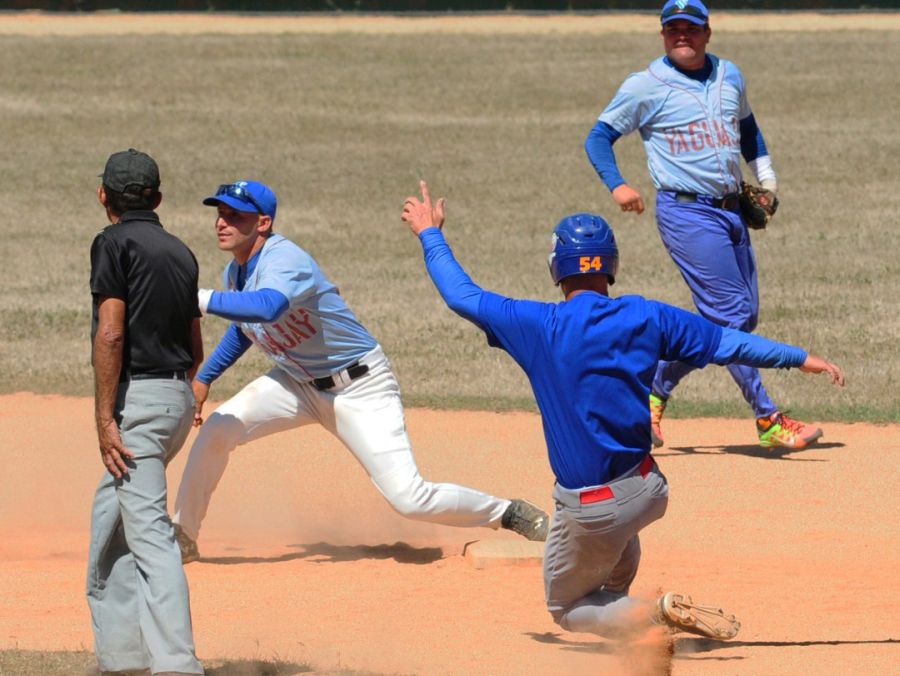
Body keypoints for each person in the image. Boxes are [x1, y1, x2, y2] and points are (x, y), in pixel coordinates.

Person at [401, 180, 844, 641]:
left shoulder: (537, 326)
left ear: (556, 267)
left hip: (592, 510)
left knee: (567, 607)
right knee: (611, 554)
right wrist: (799, 357)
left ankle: (655, 614)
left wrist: (430, 234)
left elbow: (462, 295)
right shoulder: (647, 317)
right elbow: (728, 342)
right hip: (648, 490)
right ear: (610, 266)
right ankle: (640, 638)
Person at [171, 180, 548, 564]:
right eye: (220, 213)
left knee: (409, 498)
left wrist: (196, 299)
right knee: (219, 427)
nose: (222, 222)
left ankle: (506, 512)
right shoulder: (235, 274)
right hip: (296, 385)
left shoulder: (285, 260)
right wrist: (205, 377)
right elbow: (248, 328)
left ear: (263, 222)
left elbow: (267, 308)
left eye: (235, 215)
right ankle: (182, 533)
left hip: (360, 387)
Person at [585, 0, 818, 450]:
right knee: (731, 317)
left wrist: (765, 178)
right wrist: (618, 186)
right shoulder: (644, 86)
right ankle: (767, 416)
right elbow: (599, 137)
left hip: (732, 210)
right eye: (672, 29)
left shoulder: (729, 74)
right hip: (687, 212)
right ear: (662, 35)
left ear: (707, 32)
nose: (681, 36)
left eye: (690, 29)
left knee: (738, 316)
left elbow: (748, 129)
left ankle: (653, 388)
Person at [87, 149, 204, 675]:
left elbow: (111, 331)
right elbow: (195, 333)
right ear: (157, 198)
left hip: (140, 407)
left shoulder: (113, 243)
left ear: (103, 197)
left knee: (151, 535)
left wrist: (106, 418)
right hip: (176, 400)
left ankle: (176, 666)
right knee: (113, 520)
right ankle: (125, 659)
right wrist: (193, 392)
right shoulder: (180, 251)